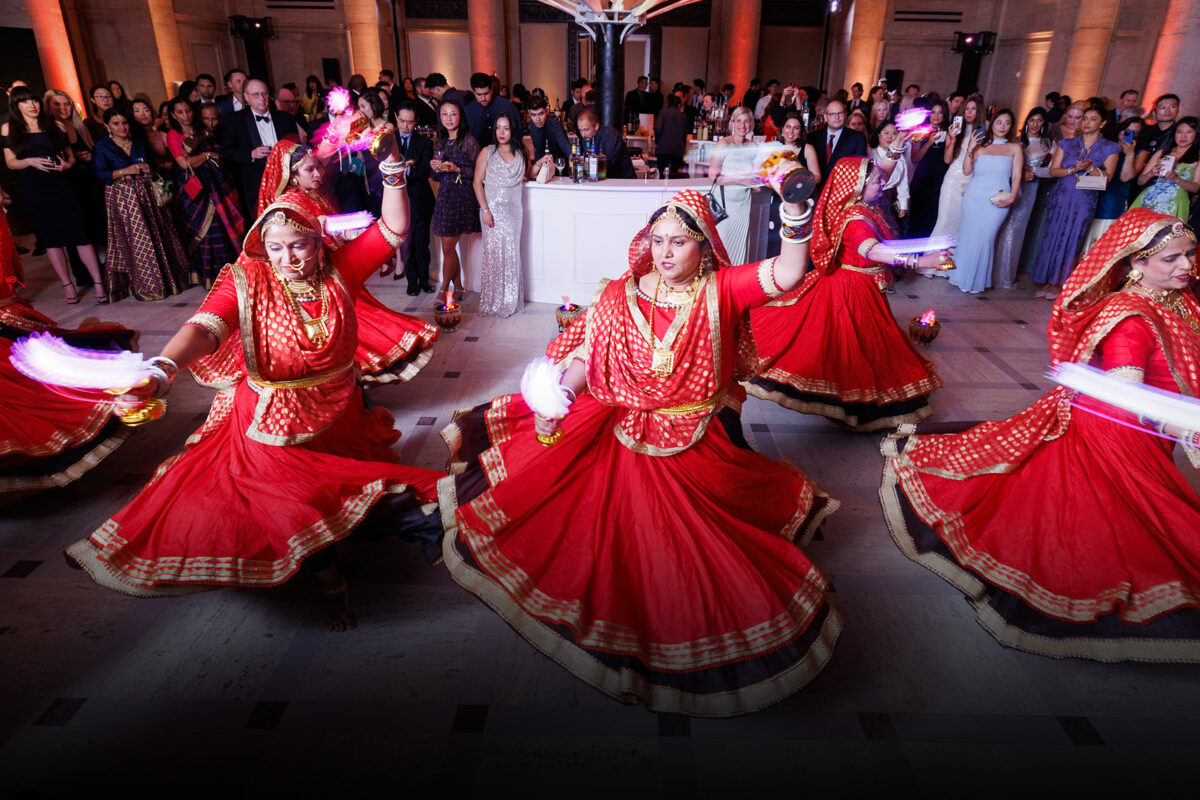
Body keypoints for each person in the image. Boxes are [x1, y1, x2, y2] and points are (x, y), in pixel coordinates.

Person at [439, 182, 843, 716]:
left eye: (679, 242)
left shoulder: (720, 289)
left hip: (694, 435)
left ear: (704, 246)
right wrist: (562, 393)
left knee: (711, 534)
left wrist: (793, 211)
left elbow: (790, 273)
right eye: (658, 241)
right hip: (626, 427)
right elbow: (588, 357)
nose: (666, 253)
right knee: (616, 530)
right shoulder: (619, 295)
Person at [66, 163, 444, 631]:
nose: (288, 258)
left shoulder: (339, 272)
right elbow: (205, 327)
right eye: (276, 248)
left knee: (344, 492)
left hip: (338, 409)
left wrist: (392, 176)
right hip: (269, 422)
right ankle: (333, 582)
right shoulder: (248, 281)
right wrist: (162, 370)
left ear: (319, 242)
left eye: (299, 245)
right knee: (292, 507)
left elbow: (393, 229)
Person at [880, 210, 1200, 662]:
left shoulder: (1179, 300)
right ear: (1136, 264)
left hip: (1146, 433)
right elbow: (1128, 393)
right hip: (1117, 434)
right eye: (1171, 258)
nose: (1186, 264)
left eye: (1189, 253)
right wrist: (1182, 425)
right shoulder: (1130, 315)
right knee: (1129, 526)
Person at [747, 157, 944, 430]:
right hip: (852, 290)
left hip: (856, 285)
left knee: (853, 345)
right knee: (857, 346)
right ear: (857, 187)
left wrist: (897, 148)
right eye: (875, 181)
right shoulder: (856, 219)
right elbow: (872, 251)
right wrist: (921, 261)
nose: (882, 182)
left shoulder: (858, 204)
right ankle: (853, 402)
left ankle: (849, 398)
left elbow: (878, 174)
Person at [257, 140, 438, 384]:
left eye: (318, 167)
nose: (319, 173)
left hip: (332, 271)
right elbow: (313, 222)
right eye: (310, 170)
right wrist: (349, 225)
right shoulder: (291, 201)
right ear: (292, 176)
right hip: (312, 284)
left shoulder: (310, 194)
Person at [2, 86, 104, 304]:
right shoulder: (9, 128)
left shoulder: (54, 125)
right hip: (35, 188)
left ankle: (98, 284)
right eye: (25, 101)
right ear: (16, 105)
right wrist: (29, 161)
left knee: (81, 236)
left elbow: (70, 157)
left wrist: (67, 164)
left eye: (34, 100)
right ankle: (67, 285)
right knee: (51, 240)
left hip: (61, 184)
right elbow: (10, 162)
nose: (32, 104)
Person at [93, 108, 190, 302]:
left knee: (157, 234)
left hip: (146, 195)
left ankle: (167, 281)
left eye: (125, 123)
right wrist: (124, 171)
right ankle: (145, 285)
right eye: (116, 123)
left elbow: (151, 168)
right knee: (137, 240)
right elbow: (100, 174)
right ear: (107, 126)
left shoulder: (138, 144)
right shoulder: (102, 147)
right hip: (122, 197)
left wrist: (149, 170)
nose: (122, 127)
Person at [1031, 107, 1120, 298]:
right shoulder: (1067, 143)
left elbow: (1109, 177)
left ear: (1102, 123)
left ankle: (1059, 284)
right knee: (1051, 236)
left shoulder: (1110, 147)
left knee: (1072, 238)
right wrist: (1072, 170)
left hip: (1084, 199)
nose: (1086, 122)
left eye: (1093, 119)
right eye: (1085, 118)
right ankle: (1046, 280)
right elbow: (1054, 170)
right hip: (1061, 195)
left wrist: (1091, 167)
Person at [166, 97, 245, 287]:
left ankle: (228, 275)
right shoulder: (173, 135)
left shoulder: (204, 132)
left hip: (215, 187)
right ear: (173, 115)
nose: (185, 115)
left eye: (188, 111)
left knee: (219, 228)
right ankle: (207, 277)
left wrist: (200, 158)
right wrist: (207, 155)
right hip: (192, 192)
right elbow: (184, 163)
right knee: (200, 232)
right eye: (180, 112)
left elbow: (220, 156)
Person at [949, 109, 1023, 294]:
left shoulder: (1015, 148)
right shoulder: (981, 147)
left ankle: (975, 281)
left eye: (1007, 123)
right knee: (968, 237)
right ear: (992, 124)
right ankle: (960, 277)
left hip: (997, 200)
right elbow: (967, 171)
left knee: (985, 240)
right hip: (974, 198)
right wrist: (971, 147)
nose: (1003, 126)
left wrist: (1013, 196)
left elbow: (1016, 176)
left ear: (1011, 126)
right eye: (999, 122)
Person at [994, 107, 1056, 289]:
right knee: (1001, 227)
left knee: (1016, 230)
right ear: (1026, 121)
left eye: (1039, 120)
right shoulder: (1017, 141)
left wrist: (1033, 171)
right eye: (1031, 120)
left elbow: (1050, 170)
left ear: (1044, 123)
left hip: (1030, 191)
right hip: (1010, 187)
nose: (1035, 124)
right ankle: (992, 272)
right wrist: (1023, 171)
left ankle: (1005, 275)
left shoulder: (1049, 145)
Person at [473, 110, 526, 317]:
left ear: (513, 130)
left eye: (505, 128)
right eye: (498, 128)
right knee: (493, 256)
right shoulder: (488, 151)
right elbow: (477, 182)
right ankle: (493, 300)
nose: (501, 132)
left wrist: (541, 164)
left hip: (514, 211)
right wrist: (484, 209)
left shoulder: (522, 151)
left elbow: (526, 175)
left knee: (511, 255)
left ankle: (510, 300)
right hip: (492, 210)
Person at [45, 89, 107, 266]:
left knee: (96, 223)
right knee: (77, 230)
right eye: (57, 104)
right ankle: (83, 274)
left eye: (67, 104)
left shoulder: (78, 125)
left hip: (88, 179)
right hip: (67, 183)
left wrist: (90, 157)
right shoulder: (47, 130)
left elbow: (95, 151)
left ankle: (105, 267)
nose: (63, 108)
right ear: (48, 107)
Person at [223, 78, 300, 217]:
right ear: (246, 97)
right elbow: (226, 151)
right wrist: (250, 154)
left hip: (286, 179)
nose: (262, 98)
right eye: (256, 94)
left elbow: (297, 146)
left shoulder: (285, 118)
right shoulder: (234, 120)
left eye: (264, 94)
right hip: (255, 182)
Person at [430, 99, 481, 299]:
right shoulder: (441, 140)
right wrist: (435, 168)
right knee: (448, 247)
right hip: (445, 196)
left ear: (460, 116)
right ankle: (458, 287)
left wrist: (457, 168)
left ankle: (444, 290)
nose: (449, 118)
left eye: (453, 114)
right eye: (444, 114)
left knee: (448, 247)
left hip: (462, 198)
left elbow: (478, 171)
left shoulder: (468, 140)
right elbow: (436, 176)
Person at [1080, 116, 1142, 253]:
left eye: (1134, 132)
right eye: (1126, 130)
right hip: (1094, 192)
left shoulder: (1140, 152)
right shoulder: (1106, 146)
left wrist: (1129, 154)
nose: (1128, 135)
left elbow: (1126, 177)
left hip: (1115, 197)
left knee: (1102, 235)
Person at [706, 106, 758, 264]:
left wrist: (757, 182)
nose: (742, 125)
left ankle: (734, 285)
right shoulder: (724, 144)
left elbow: (756, 172)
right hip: (725, 204)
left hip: (744, 203)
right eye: (739, 121)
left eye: (746, 121)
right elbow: (713, 176)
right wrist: (741, 181)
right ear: (732, 123)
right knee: (723, 245)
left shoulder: (753, 146)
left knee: (740, 247)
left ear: (751, 124)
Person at [929, 95, 985, 239]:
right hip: (952, 180)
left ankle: (955, 259)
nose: (969, 112)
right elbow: (947, 160)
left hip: (972, 181)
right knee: (944, 221)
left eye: (973, 109)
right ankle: (934, 259)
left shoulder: (983, 134)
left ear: (979, 111)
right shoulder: (954, 131)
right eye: (966, 109)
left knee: (962, 225)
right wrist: (952, 140)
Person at [1132, 116, 1199, 221]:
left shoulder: (1198, 157)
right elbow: (1140, 181)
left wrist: (1176, 179)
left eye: (1189, 132)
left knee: (1166, 236)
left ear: (1196, 134)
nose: (1183, 136)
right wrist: (1151, 173)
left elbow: (1196, 187)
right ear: (1174, 134)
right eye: (1179, 132)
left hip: (1176, 202)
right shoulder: (1162, 152)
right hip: (1150, 199)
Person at [907, 100, 950, 238]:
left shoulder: (949, 133)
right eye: (933, 112)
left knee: (932, 217)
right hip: (921, 179)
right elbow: (915, 158)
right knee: (916, 217)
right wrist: (929, 143)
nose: (936, 116)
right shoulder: (920, 131)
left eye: (940, 113)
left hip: (938, 179)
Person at [813, 100, 867, 192]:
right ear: (826, 117)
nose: (837, 117)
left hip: (842, 191)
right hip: (816, 190)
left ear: (845, 114)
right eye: (832, 114)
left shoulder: (857, 137)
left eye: (840, 113)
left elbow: (861, 168)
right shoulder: (813, 137)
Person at [576, 108, 636, 179]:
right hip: (605, 181)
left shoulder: (610, 136)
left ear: (596, 126)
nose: (583, 135)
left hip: (625, 182)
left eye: (586, 130)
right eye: (581, 130)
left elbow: (603, 166)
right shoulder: (587, 138)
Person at [525, 94, 571, 168]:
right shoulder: (532, 125)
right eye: (533, 115)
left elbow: (567, 149)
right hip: (541, 168)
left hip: (558, 169)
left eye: (541, 114)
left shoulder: (555, 127)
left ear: (547, 110)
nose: (538, 119)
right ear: (529, 113)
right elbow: (538, 150)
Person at [130, 99, 172, 174]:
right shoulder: (131, 137)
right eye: (137, 111)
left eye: (146, 110)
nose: (142, 114)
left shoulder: (161, 134)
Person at [1136, 93, 1181, 162]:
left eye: (1172, 107)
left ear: (1178, 110)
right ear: (1154, 112)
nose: (1167, 111)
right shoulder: (1145, 130)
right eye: (1163, 108)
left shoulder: (1180, 133)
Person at [654, 93, 689, 178]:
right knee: (675, 175)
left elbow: (658, 128)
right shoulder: (683, 116)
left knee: (661, 173)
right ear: (679, 104)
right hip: (677, 150)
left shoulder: (663, 112)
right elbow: (685, 134)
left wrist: (658, 141)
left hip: (663, 148)